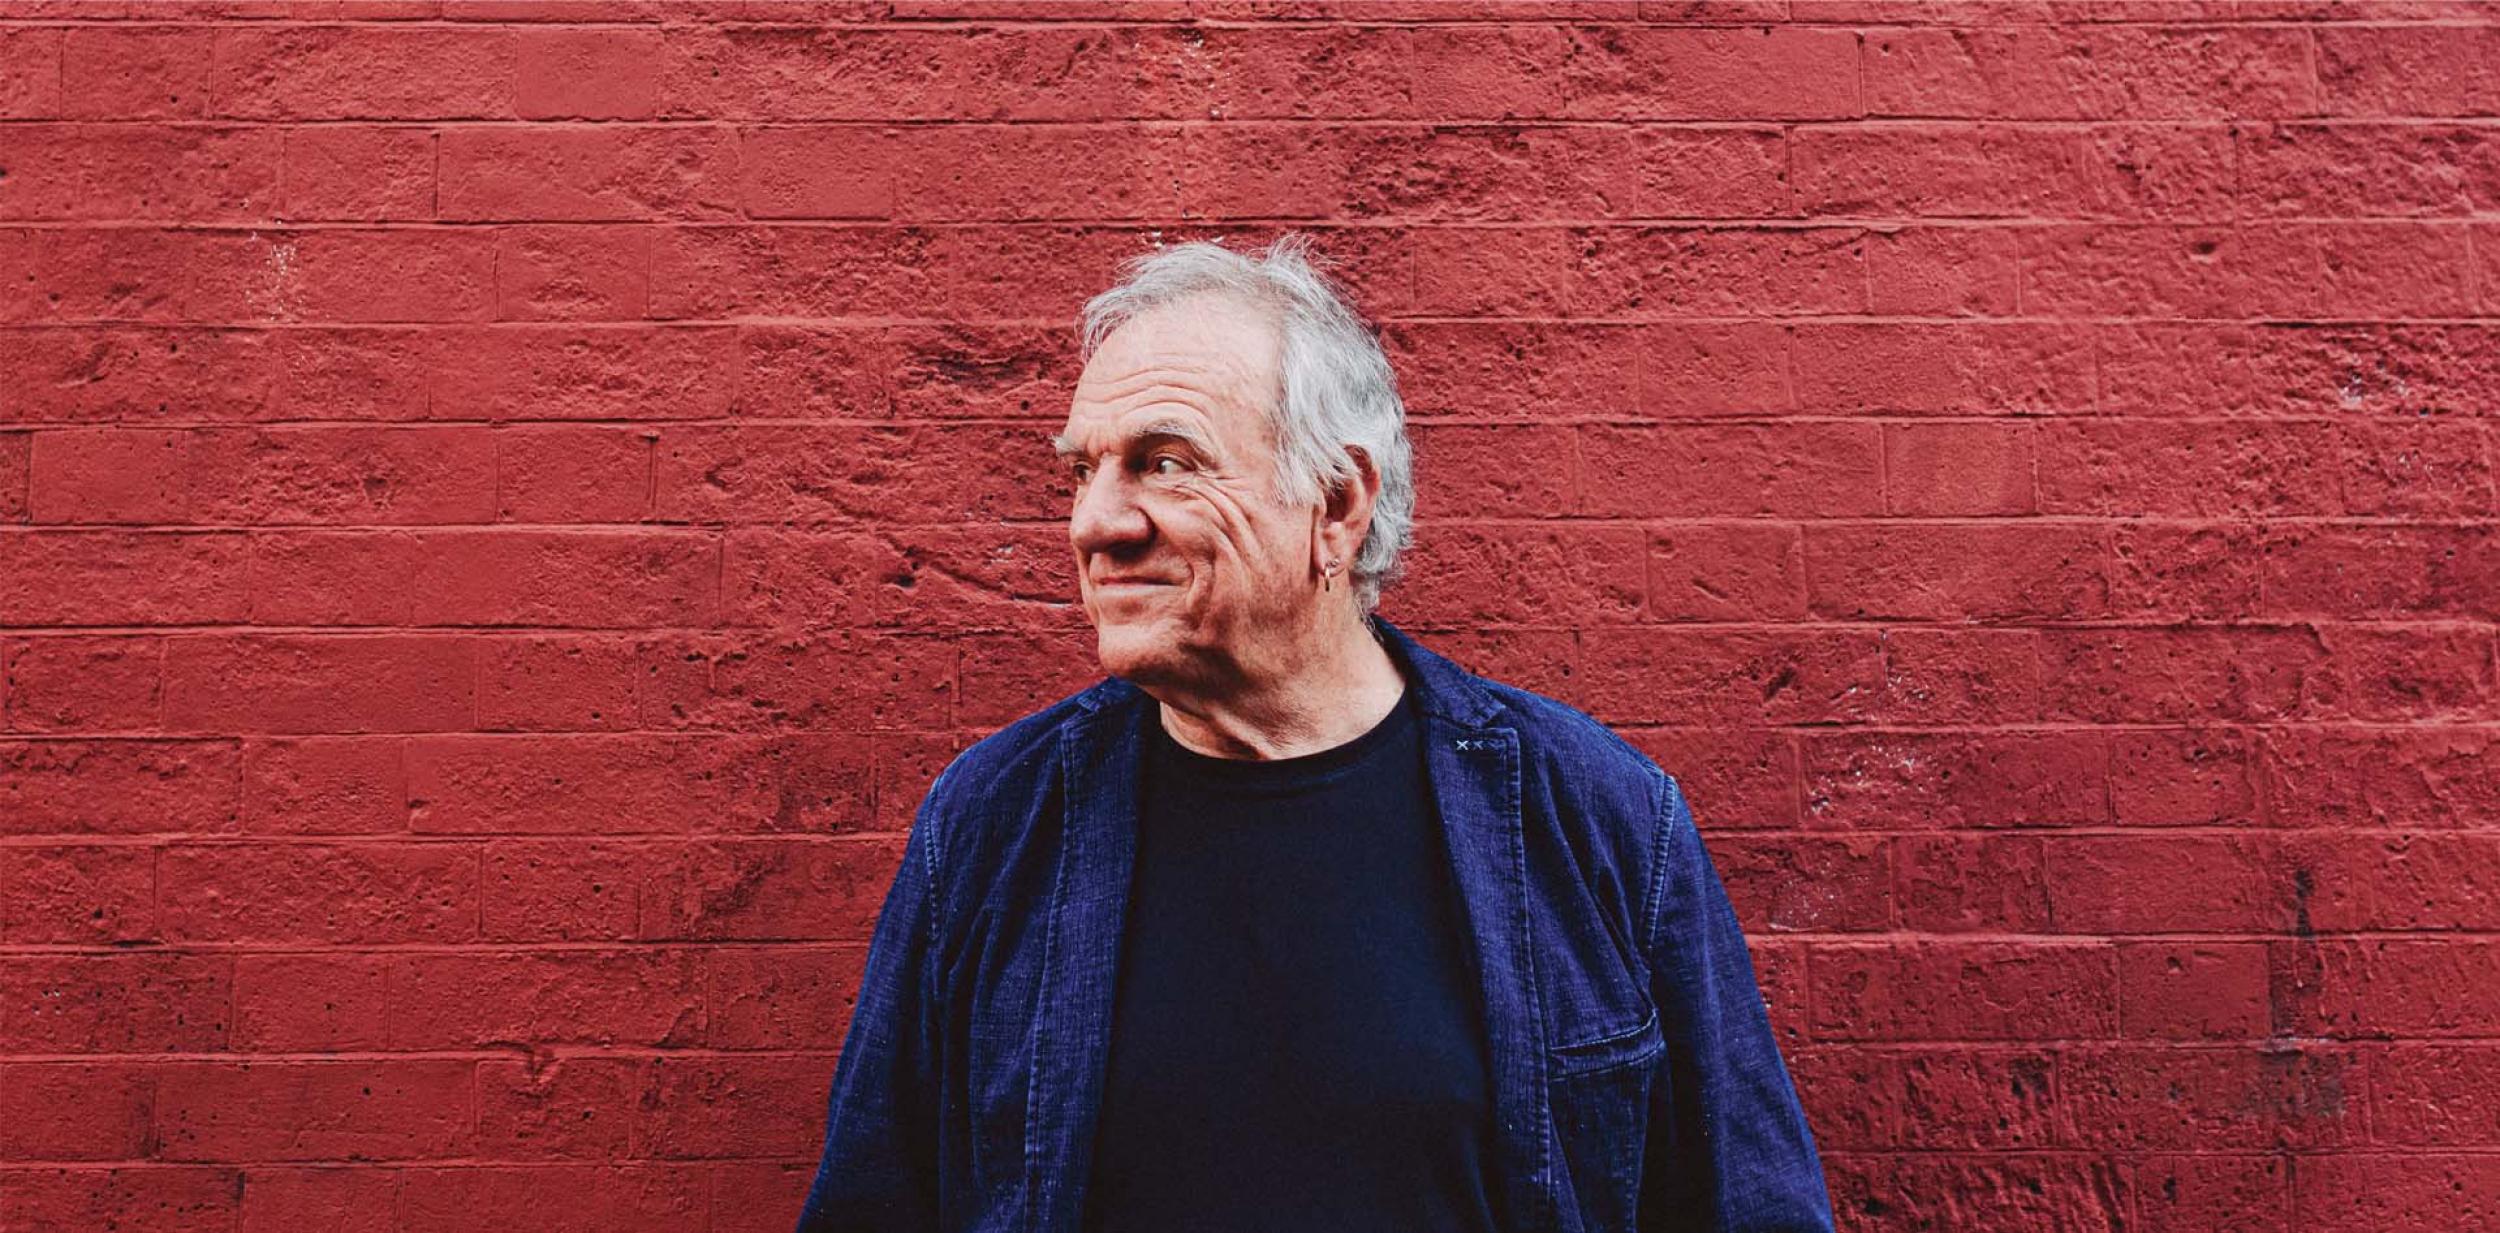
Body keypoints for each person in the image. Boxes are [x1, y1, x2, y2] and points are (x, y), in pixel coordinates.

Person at [794, 233, 1833, 1233]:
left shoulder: (1594, 818)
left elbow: (1748, 1205)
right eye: (1082, 471)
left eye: (1163, 463)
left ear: (1335, 504)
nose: (1094, 525)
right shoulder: (992, 827)